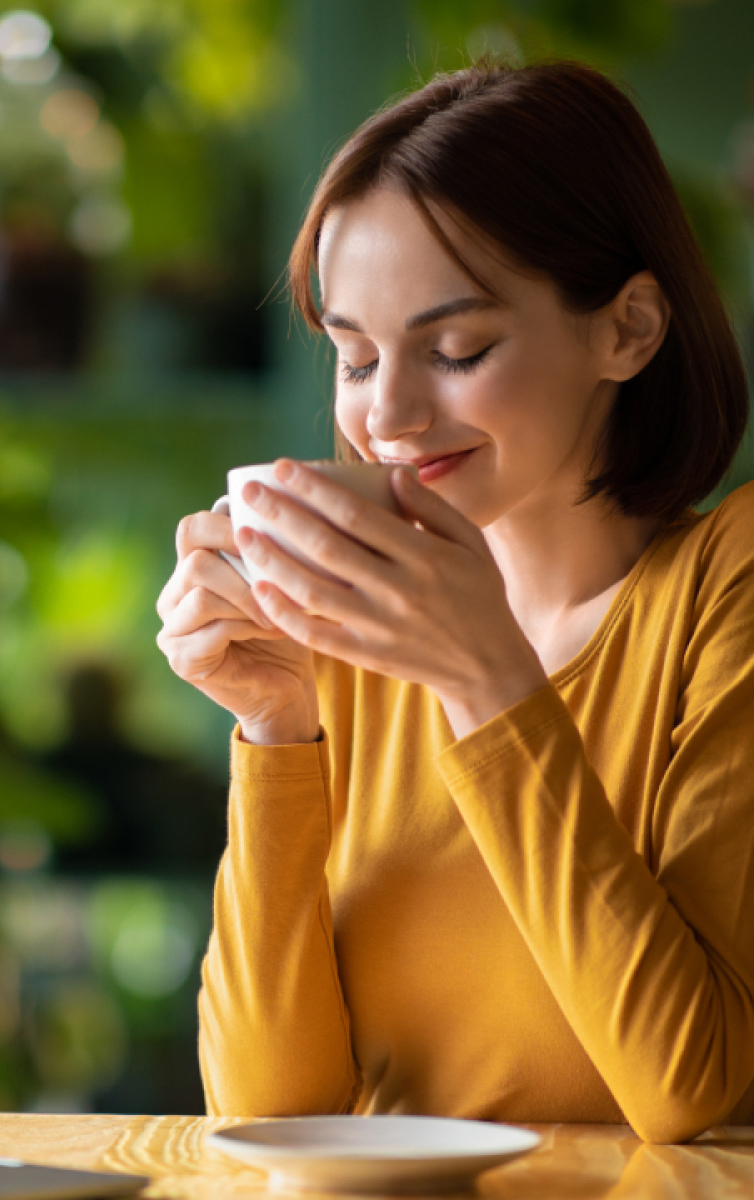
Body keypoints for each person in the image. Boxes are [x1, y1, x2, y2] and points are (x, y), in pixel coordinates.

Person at [155, 59, 754, 1144]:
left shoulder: (726, 584)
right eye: (354, 356)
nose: (386, 414)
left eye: (457, 350)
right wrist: (276, 725)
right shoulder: (360, 636)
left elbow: (689, 1089)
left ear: (627, 330)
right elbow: (266, 1111)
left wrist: (485, 680)